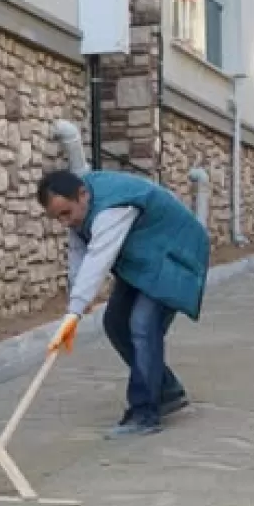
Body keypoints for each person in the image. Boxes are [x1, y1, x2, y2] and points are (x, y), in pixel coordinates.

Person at [36, 168, 211, 438]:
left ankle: (144, 413)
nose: (64, 222)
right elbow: (78, 254)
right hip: (143, 257)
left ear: (82, 195)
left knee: (142, 325)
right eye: (56, 217)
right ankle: (166, 390)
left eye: (66, 213)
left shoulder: (111, 209)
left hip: (175, 252)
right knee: (116, 323)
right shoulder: (80, 210)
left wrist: (76, 311)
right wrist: (74, 309)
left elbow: (97, 259)